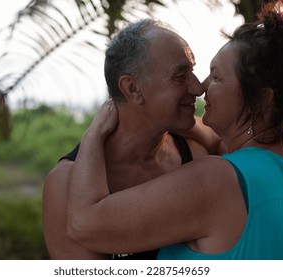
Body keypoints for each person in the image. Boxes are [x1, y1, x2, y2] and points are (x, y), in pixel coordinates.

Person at [66, 0, 283, 259]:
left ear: (260, 98)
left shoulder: (216, 179)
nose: (201, 86)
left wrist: (94, 134)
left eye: (216, 76)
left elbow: (84, 223)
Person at [42, 19, 223, 259]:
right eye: (180, 76)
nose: (198, 87)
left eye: (192, 70)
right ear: (132, 89)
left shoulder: (195, 153)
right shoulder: (65, 186)